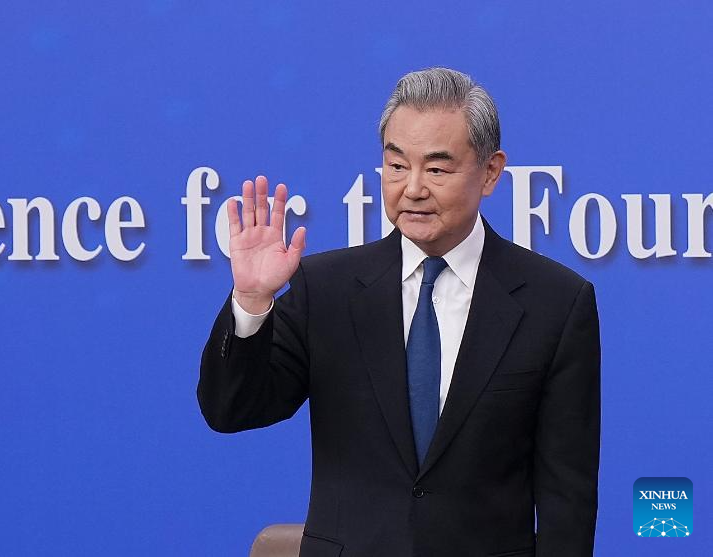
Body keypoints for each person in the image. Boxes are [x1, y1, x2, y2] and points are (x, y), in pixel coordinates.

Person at [198, 67, 599, 557]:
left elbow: (567, 498)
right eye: (396, 165)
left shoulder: (555, 302)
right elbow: (232, 409)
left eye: (436, 169)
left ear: (491, 172)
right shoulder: (326, 288)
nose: (412, 188)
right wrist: (251, 301)